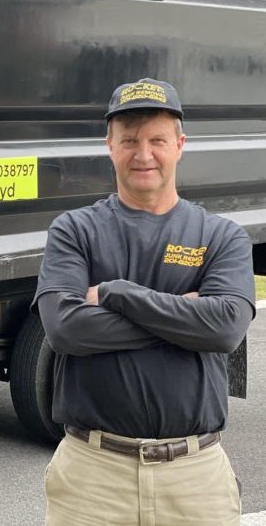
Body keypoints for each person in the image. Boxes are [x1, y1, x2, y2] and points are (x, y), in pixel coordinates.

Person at [33, 78, 255, 526]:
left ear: (180, 145)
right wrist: (185, 319)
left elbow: (225, 328)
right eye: (130, 140)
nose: (144, 154)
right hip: (93, 476)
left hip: (195, 479)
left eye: (157, 140)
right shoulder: (74, 230)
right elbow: (65, 329)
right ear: (109, 145)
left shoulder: (221, 235)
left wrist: (117, 293)